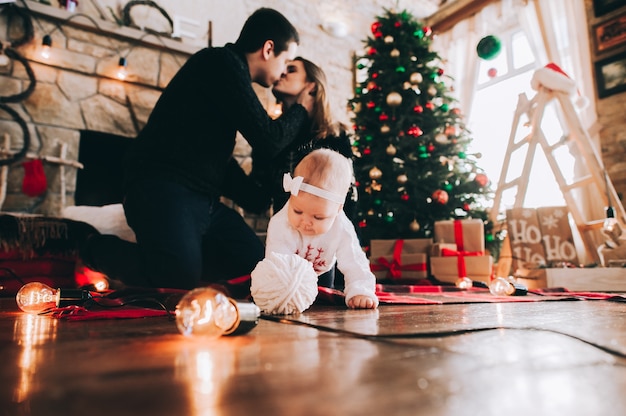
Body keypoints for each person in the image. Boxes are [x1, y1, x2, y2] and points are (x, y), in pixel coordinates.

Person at [80, 8, 315, 293]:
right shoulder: (220, 63)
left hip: (204, 201)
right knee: (178, 281)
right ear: (268, 49)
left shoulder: (225, 89)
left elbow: (231, 167)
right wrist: (302, 108)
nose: (282, 73)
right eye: (286, 61)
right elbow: (268, 138)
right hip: (160, 188)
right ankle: (85, 246)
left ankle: (185, 263)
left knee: (260, 269)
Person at [223, 57, 357, 288]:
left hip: (325, 249)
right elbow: (257, 200)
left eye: (291, 69)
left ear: (311, 86)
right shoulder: (271, 137)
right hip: (286, 243)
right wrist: (222, 165)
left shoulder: (333, 135)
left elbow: (348, 202)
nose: (282, 72)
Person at [264, 148, 378, 309]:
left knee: (323, 302)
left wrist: (360, 291)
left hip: (322, 270)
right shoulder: (280, 223)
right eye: (297, 211)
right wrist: (279, 292)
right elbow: (277, 262)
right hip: (289, 273)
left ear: (338, 209)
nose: (306, 222)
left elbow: (355, 262)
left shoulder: (341, 227)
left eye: (318, 217)